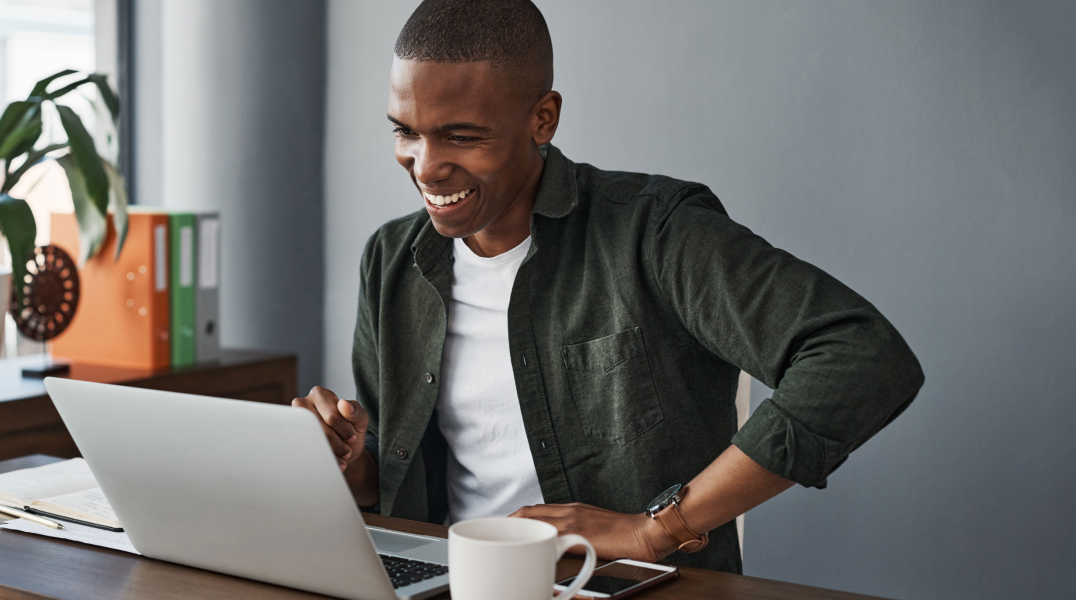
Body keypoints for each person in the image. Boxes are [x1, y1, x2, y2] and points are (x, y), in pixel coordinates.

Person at [293, 0, 924, 573]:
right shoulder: (393, 258)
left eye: (462, 135)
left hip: (621, 584)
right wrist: (347, 465)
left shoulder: (654, 233)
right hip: (452, 580)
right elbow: (391, 468)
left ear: (543, 119)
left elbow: (861, 355)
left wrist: (655, 529)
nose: (425, 166)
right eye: (405, 131)